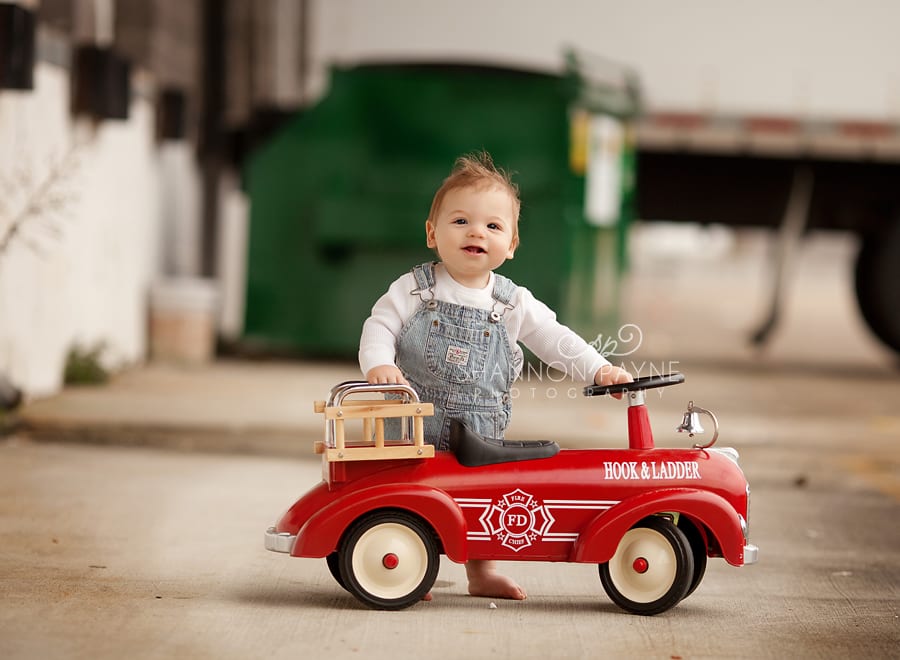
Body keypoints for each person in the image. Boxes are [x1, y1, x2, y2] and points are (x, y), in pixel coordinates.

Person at [359, 151, 633, 601]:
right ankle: (408, 558)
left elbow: (553, 338)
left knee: (482, 497)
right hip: (411, 418)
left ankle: (480, 571)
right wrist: (379, 365)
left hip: (480, 427)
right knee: (406, 494)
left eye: (493, 226)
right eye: (461, 220)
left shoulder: (511, 302)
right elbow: (379, 326)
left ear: (511, 244)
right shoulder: (413, 288)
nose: (475, 232)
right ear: (432, 233)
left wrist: (597, 368)